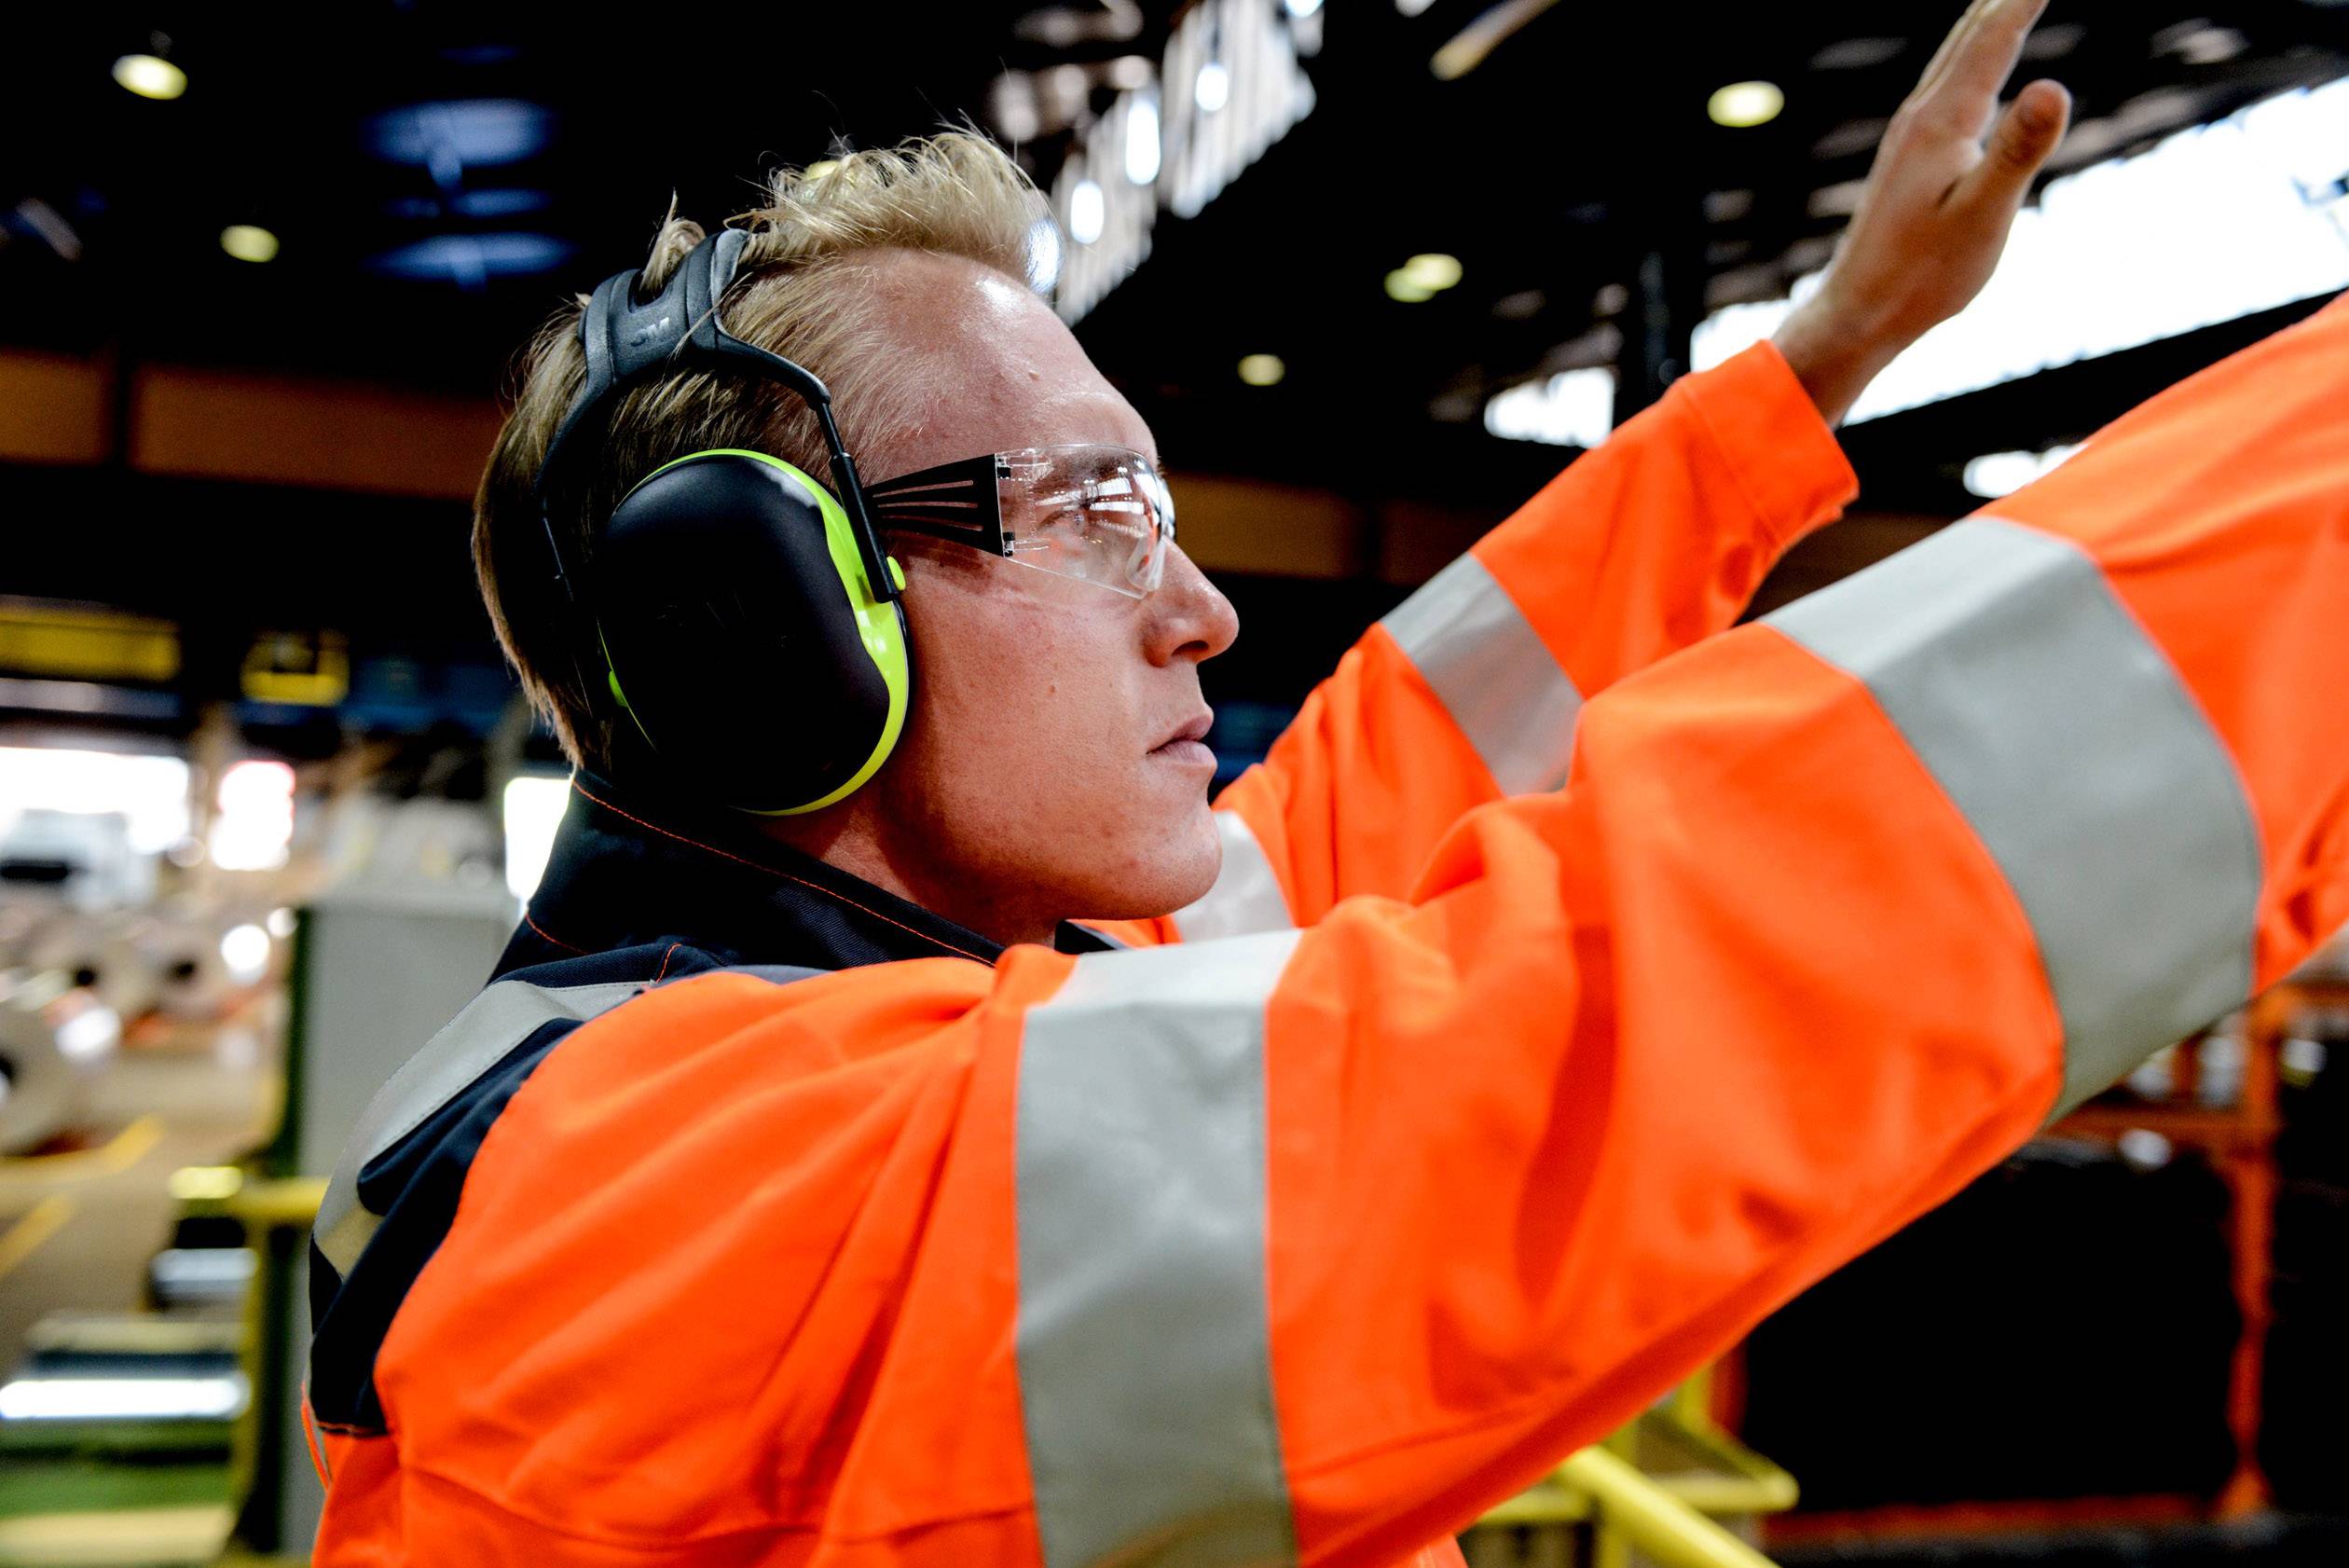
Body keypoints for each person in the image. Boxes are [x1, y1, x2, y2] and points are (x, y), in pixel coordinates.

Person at [300, 1, 2349, 1563]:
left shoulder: (931, 987)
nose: (1199, 609)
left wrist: (1811, 363)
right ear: (772, 614)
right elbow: (1606, 996)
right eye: (1092, 508)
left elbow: (1406, 742)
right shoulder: (652, 1193)